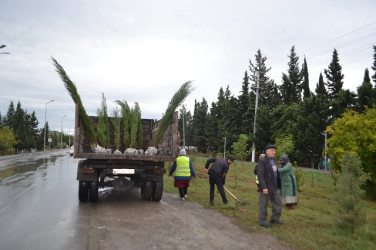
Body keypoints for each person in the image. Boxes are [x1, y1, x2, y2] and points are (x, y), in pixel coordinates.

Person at [257, 144, 282, 228]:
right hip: (266, 187)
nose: (273, 152)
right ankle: (262, 221)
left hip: (275, 186)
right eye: (271, 150)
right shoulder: (262, 160)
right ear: (267, 151)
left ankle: (275, 218)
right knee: (263, 205)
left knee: (278, 203)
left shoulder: (274, 160)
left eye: (274, 150)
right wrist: (264, 187)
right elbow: (260, 175)